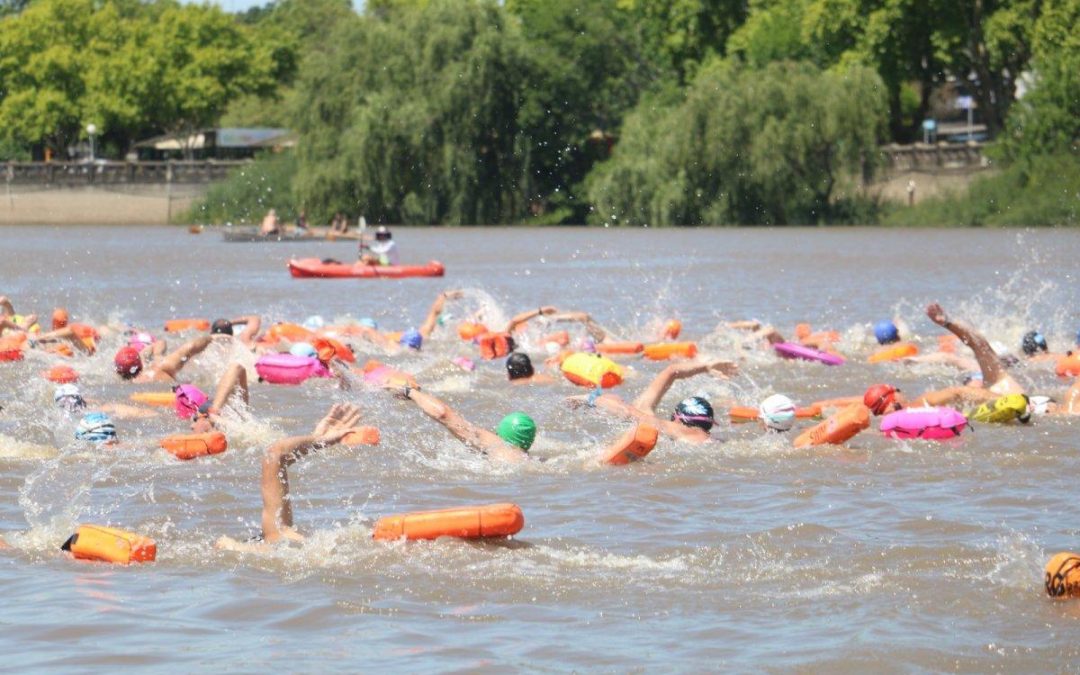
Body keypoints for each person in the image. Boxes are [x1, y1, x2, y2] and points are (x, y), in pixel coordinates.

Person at [216, 403, 366, 550]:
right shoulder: (281, 538)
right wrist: (315, 441)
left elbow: (275, 455)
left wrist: (229, 546)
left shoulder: (279, 539)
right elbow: (275, 456)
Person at [571, 359, 738, 444]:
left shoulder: (667, 426)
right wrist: (706, 366)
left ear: (677, 418)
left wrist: (589, 399)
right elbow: (672, 371)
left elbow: (624, 410)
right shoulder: (716, 440)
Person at [393, 383, 532, 464]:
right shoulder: (527, 459)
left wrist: (410, 392)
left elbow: (443, 414)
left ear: (501, 433)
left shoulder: (495, 445)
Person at [926, 303, 1024, 395]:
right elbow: (978, 343)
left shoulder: (1001, 382)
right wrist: (947, 322)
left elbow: (978, 344)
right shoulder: (996, 379)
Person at [114, 335, 213, 383]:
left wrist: (156, 355)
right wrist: (211, 338)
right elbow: (191, 346)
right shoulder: (160, 368)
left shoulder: (124, 384)